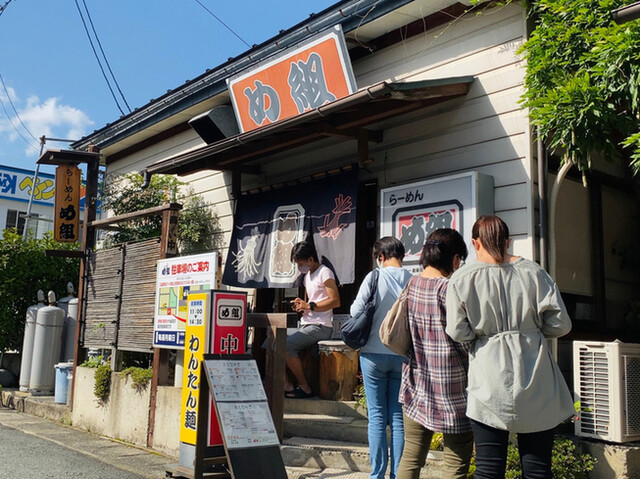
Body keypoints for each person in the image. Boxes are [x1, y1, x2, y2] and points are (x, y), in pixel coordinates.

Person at [445, 215, 574, 479]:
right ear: (508, 242)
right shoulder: (534, 272)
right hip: (535, 375)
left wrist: (481, 338)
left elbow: (457, 331)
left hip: (488, 377)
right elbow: (561, 324)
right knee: (538, 470)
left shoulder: (461, 278)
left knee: (488, 469)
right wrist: (532, 333)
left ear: (475, 243)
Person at [397, 228, 473, 479]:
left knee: (411, 456)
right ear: (454, 259)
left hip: (417, 383)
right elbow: (464, 340)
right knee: (455, 463)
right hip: (454, 388)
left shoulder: (412, 284)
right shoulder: (450, 289)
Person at [350, 237, 413, 479]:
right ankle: (397, 474)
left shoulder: (374, 277)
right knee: (398, 417)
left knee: (376, 416)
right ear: (402, 256)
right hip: (401, 354)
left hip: (373, 354)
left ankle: (377, 474)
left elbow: (356, 311)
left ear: (381, 256)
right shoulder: (412, 280)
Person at [285, 240, 340, 399]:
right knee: (270, 341)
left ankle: (305, 387)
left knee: (286, 345)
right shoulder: (307, 277)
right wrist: (302, 306)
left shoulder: (325, 272)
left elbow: (335, 301)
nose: (299, 267)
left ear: (310, 259)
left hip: (321, 325)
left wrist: (309, 306)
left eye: (300, 263)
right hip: (306, 323)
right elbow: (311, 303)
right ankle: (286, 384)